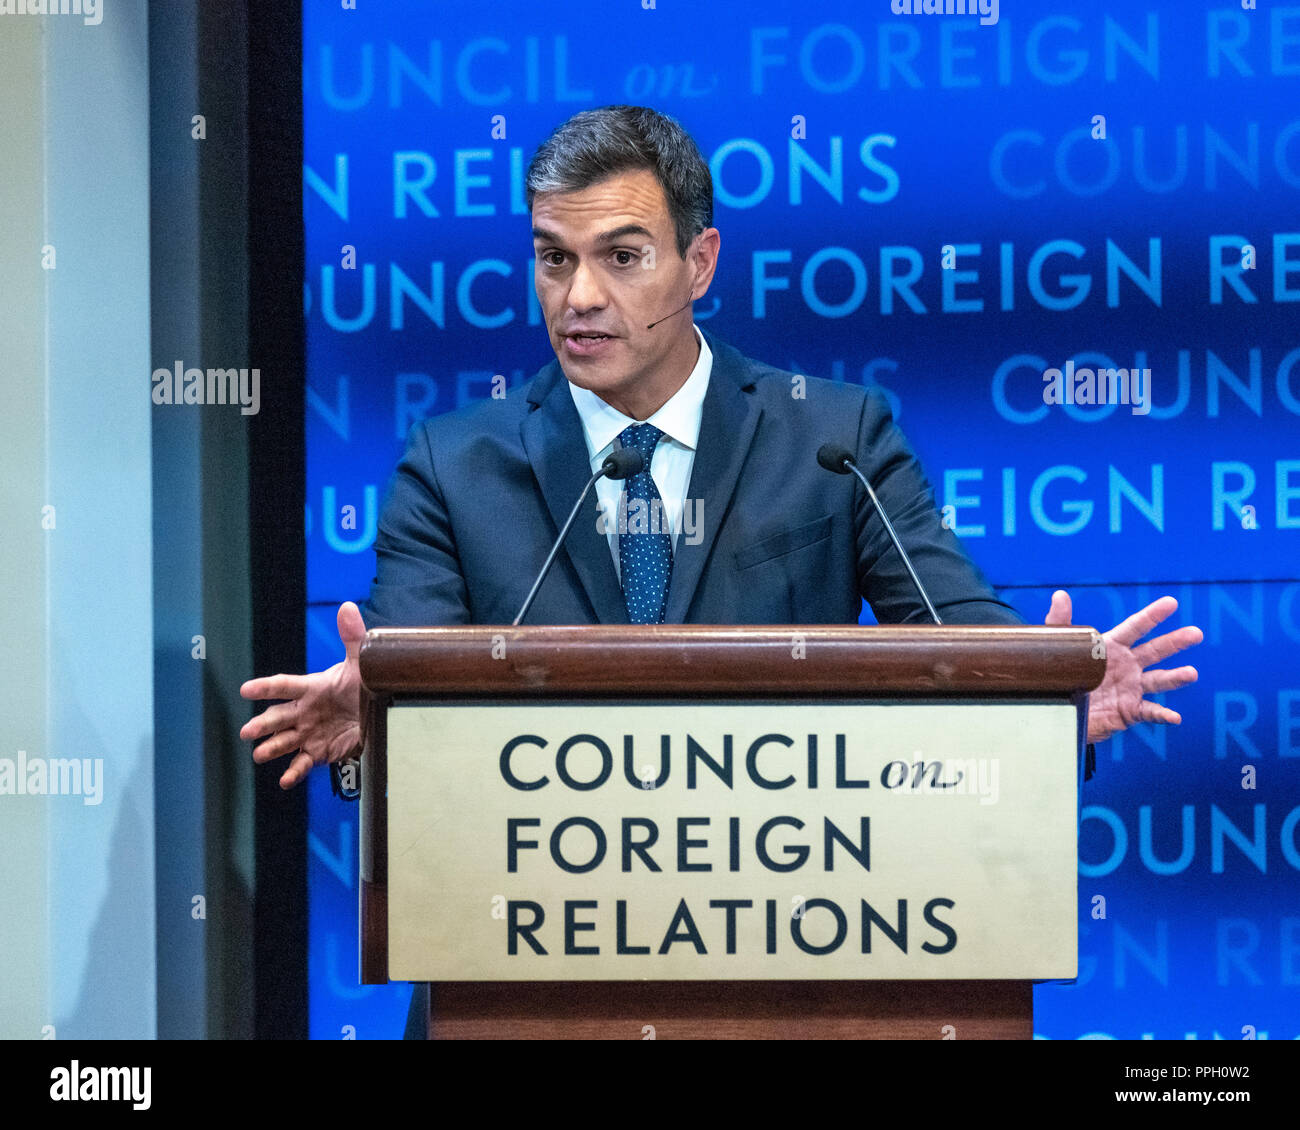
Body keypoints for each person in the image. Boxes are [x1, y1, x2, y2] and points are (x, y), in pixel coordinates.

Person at [240, 105, 1202, 1033]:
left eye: (622, 257)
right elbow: (411, 705)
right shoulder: (454, 465)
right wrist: (376, 726)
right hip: (522, 980)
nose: (578, 296)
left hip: (783, 975)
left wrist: (1043, 700)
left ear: (699, 262)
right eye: (553, 258)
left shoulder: (835, 440)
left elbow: (954, 635)